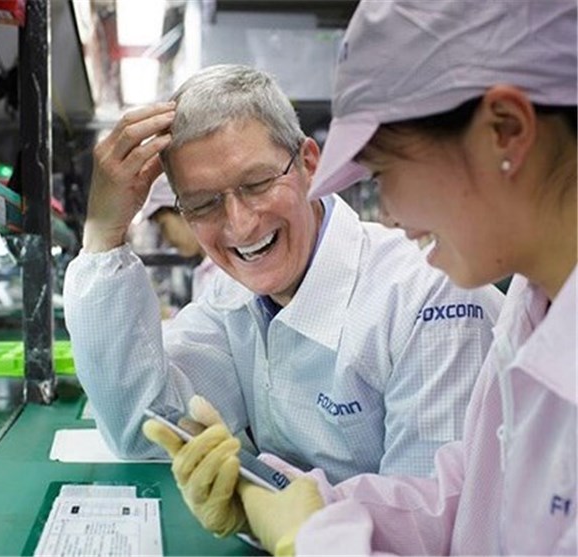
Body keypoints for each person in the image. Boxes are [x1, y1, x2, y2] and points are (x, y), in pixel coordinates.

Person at [166, 2, 575, 554]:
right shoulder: (535, 302)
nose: (391, 215)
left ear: (505, 131)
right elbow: (463, 499)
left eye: (384, 172)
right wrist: (288, 503)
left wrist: (317, 542)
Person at [63, 64, 503, 537]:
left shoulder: (429, 298)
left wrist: (282, 516)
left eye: (257, 183)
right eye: (204, 203)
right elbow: (143, 429)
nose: (240, 224)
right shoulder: (235, 296)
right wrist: (103, 234)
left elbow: (437, 529)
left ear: (310, 164)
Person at [137, 174, 221, 302]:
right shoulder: (206, 271)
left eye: (164, 226)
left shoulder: (224, 273)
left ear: (185, 211)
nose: (166, 240)